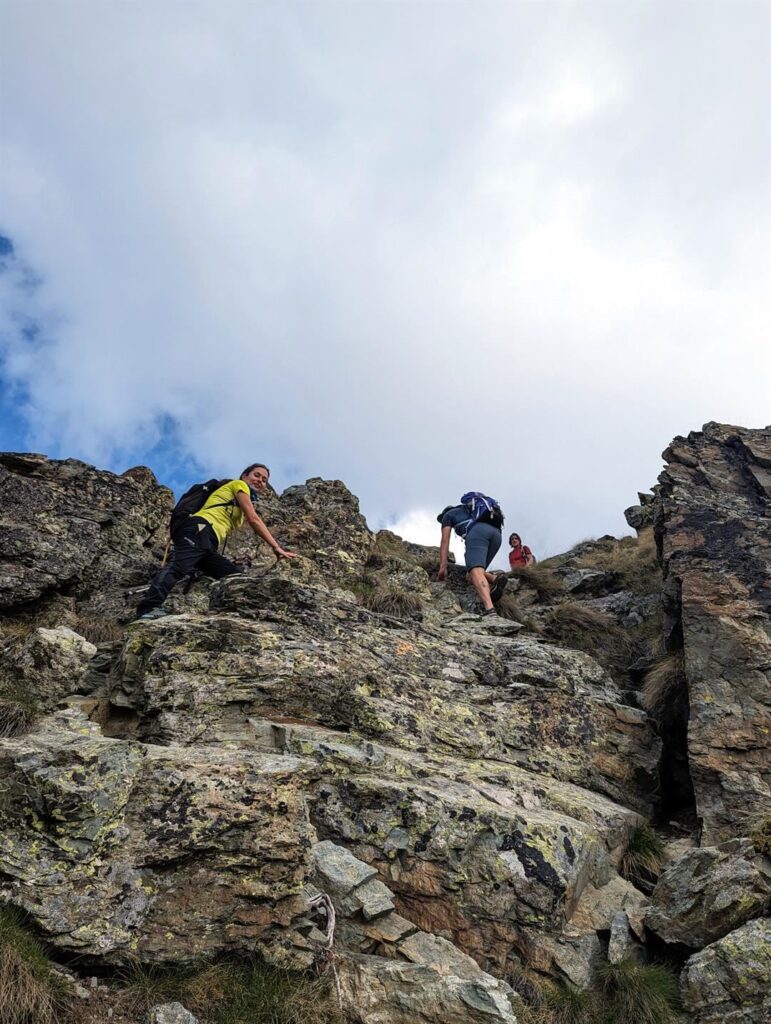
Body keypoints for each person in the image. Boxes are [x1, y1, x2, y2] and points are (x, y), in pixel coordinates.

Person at [136, 463, 297, 619]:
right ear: (244, 476)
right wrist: (276, 547)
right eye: (257, 475)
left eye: (264, 480)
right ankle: (147, 609)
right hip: (199, 529)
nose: (260, 481)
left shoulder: (237, 501)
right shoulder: (239, 485)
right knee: (178, 567)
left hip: (208, 541)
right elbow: (254, 520)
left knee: (236, 578)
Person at [437, 498, 507, 615]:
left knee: (476, 572)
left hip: (478, 533)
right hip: (497, 535)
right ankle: (494, 578)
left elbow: (445, 540)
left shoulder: (447, 515)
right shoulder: (469, 510)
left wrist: (442, 567)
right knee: (470, 576)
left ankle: (490, 610)